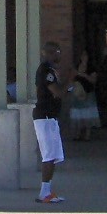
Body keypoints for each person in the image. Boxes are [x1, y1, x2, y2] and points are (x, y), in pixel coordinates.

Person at [32, 41, 65, 203]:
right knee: (48, 155)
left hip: (50, 117)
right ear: (49, 53)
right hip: (44, 117)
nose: (58, 54)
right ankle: (44, 193)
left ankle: (48, 191)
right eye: (56, 52)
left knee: (53, 155)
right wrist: (69, 82)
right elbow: (56, 92)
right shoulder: (46, 70)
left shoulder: (50, 70)